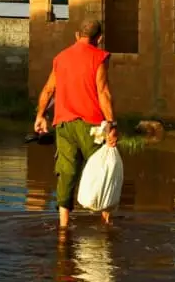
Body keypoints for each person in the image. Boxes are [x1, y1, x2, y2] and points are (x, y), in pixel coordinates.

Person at [34, 19, 118, 228]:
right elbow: (103, 92)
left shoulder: (60, 58)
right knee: (103, 168)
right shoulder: (99, 57)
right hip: (92, 125)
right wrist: (111, 123)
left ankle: (63, 225)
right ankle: (106, 222)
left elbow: (47, 90)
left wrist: (40, 116)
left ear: (76, 35)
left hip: (63, 125)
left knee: (66, 172)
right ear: (99, 38)